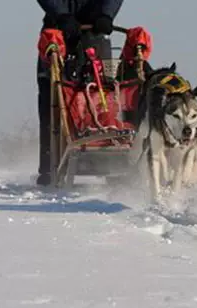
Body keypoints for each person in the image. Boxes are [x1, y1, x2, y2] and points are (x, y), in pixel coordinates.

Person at [35, 0, 124, 186]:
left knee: (103, 96)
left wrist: (107, 14)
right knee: (52, 103)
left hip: (96, 33)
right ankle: (49, 165)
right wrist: (60, 15)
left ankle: (109, 157)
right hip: (57, 36)